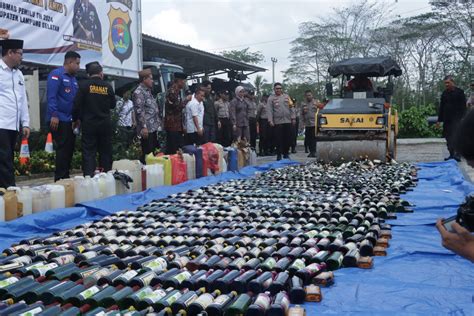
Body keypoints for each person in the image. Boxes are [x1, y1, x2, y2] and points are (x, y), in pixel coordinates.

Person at [72, 62, 116, 176]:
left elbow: (76, 105)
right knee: (105, 152)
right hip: (105, 125)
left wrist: (75, 120)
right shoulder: (108, 86)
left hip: (89, 124)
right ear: (101, 73)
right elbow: (113, 105)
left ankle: (89, 177)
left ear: (88, 74)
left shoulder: (84, 86)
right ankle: (106, 176)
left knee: (89, 152)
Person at [0, 39, 30, 189]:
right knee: (4, 159)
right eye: (19, 54)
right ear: (10, 53)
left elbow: (22, 99)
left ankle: (6, 191)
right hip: (1, 123)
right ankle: (9, 190)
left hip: (13, 125)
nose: (21, 57)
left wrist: (25, 123)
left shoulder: (18, 74)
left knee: (8, 158)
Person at [47, 51, 81, 181]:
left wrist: (77, 119)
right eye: (77, 63)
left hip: (70, 120)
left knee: (69, 149)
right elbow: (51, 96)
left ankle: (66, 177)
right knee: (62, 150)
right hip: (59, 119)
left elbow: (74, 102)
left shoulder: (74, 79)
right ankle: (60, 179)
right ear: (69, 62)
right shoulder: (56, 75)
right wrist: (54, 114)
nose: (78, 66)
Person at [133, 68, 162, 162]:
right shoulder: (139, 92)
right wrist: (144, 127)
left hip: (153, 128)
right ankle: (146, 173)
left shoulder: (148, 91)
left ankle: (151, 173)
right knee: (147, 154)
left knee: (152, 153)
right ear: (144, 79)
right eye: (151, 78)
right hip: (146, 130)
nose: (152, 81)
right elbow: (139, 111)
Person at [437, 75, 467, 161]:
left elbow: (463, 107)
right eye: (445, 83)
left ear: (452, 82)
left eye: (448, 83)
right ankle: (451, 154)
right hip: (447, 120)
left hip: (457, 119)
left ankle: (457, 154)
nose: (446, 85)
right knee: (448, 137)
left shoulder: (460, 92)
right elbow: (441, 107)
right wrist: (439, 120)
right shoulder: (444, 93)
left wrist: (463, 118)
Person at [267, 82, 295, 160]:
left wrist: (293, 118)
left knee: (288, 138)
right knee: (278, 139)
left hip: (287, 121)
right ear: (274, 89)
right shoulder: (271, 98)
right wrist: (270, 120)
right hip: (278, 122)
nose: (278, 90)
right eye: (277, 88)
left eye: (280, 88)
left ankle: (286, 153)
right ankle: (279, 155)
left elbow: (292, 107)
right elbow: (269, 110)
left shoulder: (286, 97)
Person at [164, 72, 187, 155]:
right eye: (184, 81)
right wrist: (186, 100)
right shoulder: (172, 91)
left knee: (177, 148)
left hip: (177, 126)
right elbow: (176, 107)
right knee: (172, 150)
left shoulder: (178, 91)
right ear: (179, 81)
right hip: (172, 126)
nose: (185, 83)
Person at [301, 90, 319, 158]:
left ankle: (314, 152)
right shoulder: (303, 104)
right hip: (307, 124)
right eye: (307, 95)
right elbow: (301, 115)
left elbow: (321, 112)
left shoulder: (316, 103)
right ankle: (311, 152)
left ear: (312, 95)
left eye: (309, 95)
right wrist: (302, 124)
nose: (308, 97)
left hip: (315, 123)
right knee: (308, 139)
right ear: (305, 96)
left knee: (314, 138)